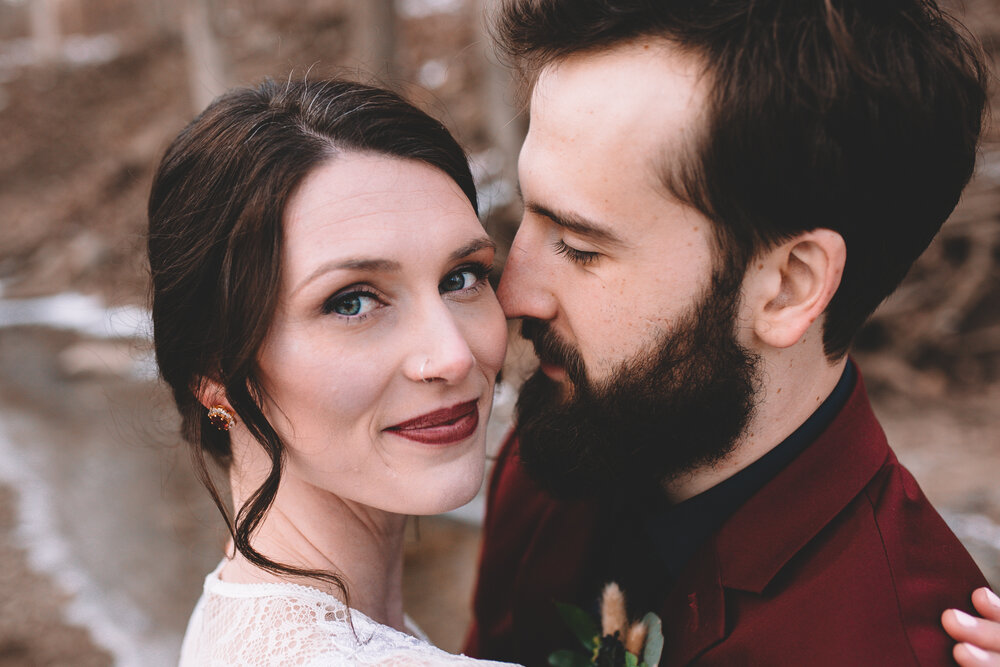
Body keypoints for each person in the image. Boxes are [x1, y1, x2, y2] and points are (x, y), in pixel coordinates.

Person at [465, 0, 999, 665]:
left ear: (788, 285)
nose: (513, 293)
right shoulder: (562, 449)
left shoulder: (882, 641)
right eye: (525, 216)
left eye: (579, 247)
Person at [147, 78, 514, 665]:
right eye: (352, 302)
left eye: (461, 277)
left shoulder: (242, 615)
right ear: (213, 370)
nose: (454, 356)